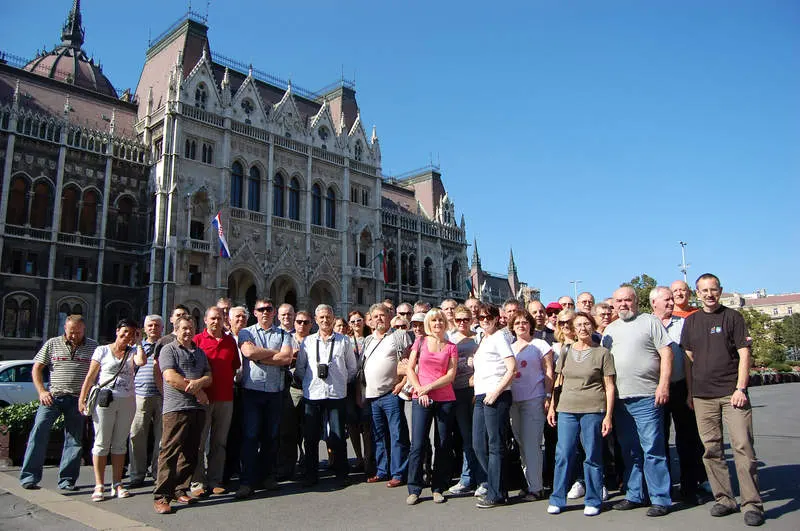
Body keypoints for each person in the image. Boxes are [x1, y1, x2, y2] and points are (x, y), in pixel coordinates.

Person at [681, 273, 764, 527]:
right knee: (712, 449)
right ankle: (725, 498)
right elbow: (688, 359)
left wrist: (741, 388)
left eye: (713, 290)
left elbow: (744, 354)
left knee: (742, 446)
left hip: (732, 394)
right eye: (703, 291)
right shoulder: (692, 322)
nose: (708, 294)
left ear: (720, 291)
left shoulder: (733, 318)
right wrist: (690, 392)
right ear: (697, 293)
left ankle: (752, 504)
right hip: (702, 396)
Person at [602, 286, 673, 517]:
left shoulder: (650, 322)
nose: (623, 304)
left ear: (636, 301)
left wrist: (663, 385)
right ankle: (635, 494)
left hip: (647, 396)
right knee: (629, 450)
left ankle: (660, 498)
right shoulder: (609, 331)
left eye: (628, 300)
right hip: (621, 400)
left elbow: (667, 353)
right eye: (619, 301)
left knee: (652, 448)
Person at [546, 312, 616, 517]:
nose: (583, 328)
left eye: (586, 324)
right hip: (567, 409)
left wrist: (608, 416)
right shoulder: (566, 351)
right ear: (573, 329)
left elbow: (609, 387)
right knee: (564, 454)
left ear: (592, 326)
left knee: (592, 455)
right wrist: (552, 406)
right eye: (579, 325)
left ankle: (593, 499)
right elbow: (558, 383)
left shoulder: (603, 353)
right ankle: (557, 497)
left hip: (593, 410)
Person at [20, 315, 98, 491]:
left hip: (78, 399)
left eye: (77, 332)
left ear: (84, 329)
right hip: (53, 397)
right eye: (71, 332)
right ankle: (29, 477)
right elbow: (37, 368)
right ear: (65, 328)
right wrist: (41, 391)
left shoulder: (93, 346)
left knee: (75, 440)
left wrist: (89, 396)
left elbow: (97, 373)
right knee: (38, 432)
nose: (74, 336)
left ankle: (67, 480)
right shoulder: (52, 343)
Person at [650, 286, 707, 505]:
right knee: (658, 440)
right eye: (667, 300)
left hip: (681, 387)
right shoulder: (647, 324)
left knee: (687, 439)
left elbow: (690, 359)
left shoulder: (683, 324)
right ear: (654, 302)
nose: (672, 303)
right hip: (653, 391)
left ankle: (690, 486)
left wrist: (691, 392)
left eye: (672, 299)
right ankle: (663, 488)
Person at [78, 319, 146, 501]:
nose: (126, 336)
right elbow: (91, 376)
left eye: (131, 334)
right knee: (101, 442)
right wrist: (82, 397)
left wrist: (139, 342)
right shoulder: (102, 350)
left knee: (119, 443)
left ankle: (117, 483)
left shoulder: (133, 352)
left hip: (127, 400)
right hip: (105, 400)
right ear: (117, 331)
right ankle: (99, 485)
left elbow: (141, 361)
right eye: (124, 332)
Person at [152, 316, 212, 514]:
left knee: (190, 451)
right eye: (184, 328)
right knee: (169, 451)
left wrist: (201, 383)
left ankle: (180, 489)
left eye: (191, 328)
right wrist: (197, 390)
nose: (188, 332)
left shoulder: (200, 352)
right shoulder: (169, 350)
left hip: (197, 409)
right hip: (176, 407)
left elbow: (208, 376)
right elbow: (170, 377)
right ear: (176, 330)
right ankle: (162, 496)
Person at [235, 298, 294, 499]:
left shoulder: (283, 333)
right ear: (255, 312)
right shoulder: (246, 332)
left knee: (271, 437)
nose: (265, 312)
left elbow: (287, 358)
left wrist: (259, 356)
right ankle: (247, 481)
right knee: (250, 437)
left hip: (275, 392)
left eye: (269, 309)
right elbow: (248, 351)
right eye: (261, 309)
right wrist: (274, 354)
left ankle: (267, 476)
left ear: (274, 311)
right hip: (252, 391)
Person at [295, 304, 357, 487]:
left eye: (328, 317)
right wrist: (307, 384)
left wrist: (340, 382)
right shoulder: (307, 342)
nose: (325, 320)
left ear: (333, 318)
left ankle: (341, 473)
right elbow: (300, 368)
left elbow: (352, 368)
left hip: (336, 394)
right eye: (321, 317)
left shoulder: (344, 341)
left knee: (338, 435)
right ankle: (311, 474)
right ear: (316, 319)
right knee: (311, 436)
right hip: (313, 394)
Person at [405, 308, 458, 505]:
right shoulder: (420, 342)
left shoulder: (451, 347)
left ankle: (438, 487)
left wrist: (428, 387)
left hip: (445, 398)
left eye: (440, 320)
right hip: (422, 398)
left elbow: (450, 376)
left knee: (442, 444)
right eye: (434, 321)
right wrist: (420, 390)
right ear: (429, 323)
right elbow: (410, 368)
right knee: (418, 443)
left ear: (445, 323)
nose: (437, 324)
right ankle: (414, 488)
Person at [191, 307, 240, 496]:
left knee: (219, 442)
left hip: (225, 398)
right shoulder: (197, 341)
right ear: (205, 320)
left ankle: (215, 480)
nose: (215, 322)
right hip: (203, 398)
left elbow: (234, 367)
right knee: (199, 442)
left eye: (219, 318)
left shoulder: (229, 341)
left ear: (224, 320)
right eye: (212, 318)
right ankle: (197, 482)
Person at [471, 304, 516, 508]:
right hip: (481, 396)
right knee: (478, 444)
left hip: (496, 396)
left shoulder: (499, 337)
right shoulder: (484, 339)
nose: (484, 320)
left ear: (497, 318)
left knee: (495, 445)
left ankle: (497, 492)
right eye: (480, 317)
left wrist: (496, 392)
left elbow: (512, 369)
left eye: (488, 316)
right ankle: (498, 484)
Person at [362, 303, 411, 487]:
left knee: (397, 434)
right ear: (371, 320)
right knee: (378, 435)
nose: (379, 319)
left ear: (389, 316)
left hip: (391, 393)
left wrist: (401, 383)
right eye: (375, 316)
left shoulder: (399, 336)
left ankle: (399, 473)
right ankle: (382, 471)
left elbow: (410, 363)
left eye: (382, 315)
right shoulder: (368, 341)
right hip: (372, 395)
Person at [509, 310, 554, 501]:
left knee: (532, 444)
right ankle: (529, 483)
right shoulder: (509, 347)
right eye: (517, 322)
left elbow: (549, 371)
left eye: (525, 322)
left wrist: (548, 395)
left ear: (530, 325)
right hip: (513, 400)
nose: (521, 325)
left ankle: (537, 487)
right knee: (520, 443)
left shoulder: (541, 345)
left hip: (534, 398)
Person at [446, 305, 481, 496]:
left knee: (478, 436)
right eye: (458, 320)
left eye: (465, 319)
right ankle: (468, 478)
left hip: (475, 390)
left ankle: (481, 478)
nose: (461, 323)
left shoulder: (479, 338)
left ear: (471, 320)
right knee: (467, 437)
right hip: (456, 391)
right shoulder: (449, 339)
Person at [129, 315, 164, 488]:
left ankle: (158, 472)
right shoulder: (136, 347)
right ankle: (137, 474)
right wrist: (137, 345)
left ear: (162, 328)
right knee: (137, 435)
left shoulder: (167, 346)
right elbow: (134, 365)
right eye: (150, 325)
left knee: (161, 437)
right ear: (144, 329)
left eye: (157, 325)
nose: (153, 328)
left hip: (163, 395)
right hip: (140, 394)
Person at [223, 306, 248, 487]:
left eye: (243, 317)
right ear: (229, 320)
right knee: (225, 431)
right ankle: (224, 471)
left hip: (246, 388)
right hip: (227, 388)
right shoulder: (224, 339)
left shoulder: (251, 337)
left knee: (243, 429)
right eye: (236, 317)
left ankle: (240, 467)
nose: (240, 320)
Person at [345, 310, 373, 474]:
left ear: (364, 321)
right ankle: (359, 458)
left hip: (367, 385)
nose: (356, 323)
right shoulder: (346, 341)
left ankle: (368, 458)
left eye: (359, 320)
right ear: (349, 324)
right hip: (350, 386)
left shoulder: (370, 340)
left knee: (367, 423)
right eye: (353, 321)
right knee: (353, 424)